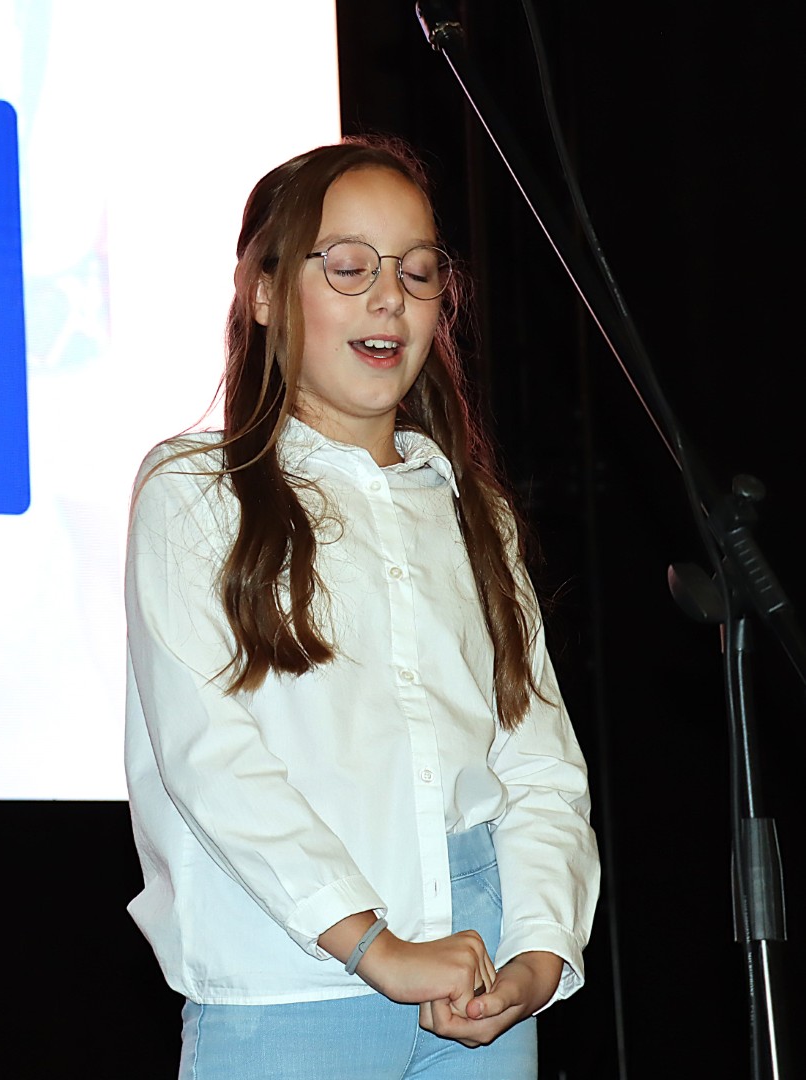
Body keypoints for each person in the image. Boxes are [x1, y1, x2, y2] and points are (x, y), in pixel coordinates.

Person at [124, 137, 600, 1079]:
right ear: (264, 293)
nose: (389, 297)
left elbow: (537, 759)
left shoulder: (474, 512)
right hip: (290, 976)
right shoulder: (196, 492)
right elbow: (209, 756)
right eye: (349, 267)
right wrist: (375, 944)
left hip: (480, 975)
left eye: (417, 273)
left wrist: (542, 949)